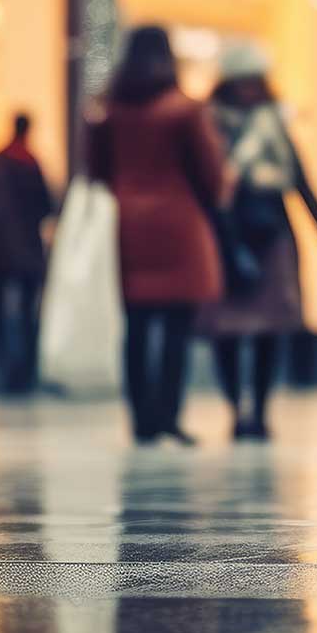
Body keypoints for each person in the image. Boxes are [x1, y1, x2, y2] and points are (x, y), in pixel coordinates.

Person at [89, 25, 227, 446]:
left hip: (127, 224)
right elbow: (211, 173)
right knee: (176, 326)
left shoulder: (109, 110)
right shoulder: (184, 109)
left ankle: (141, 419)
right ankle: (167, 413)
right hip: (178, 224)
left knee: (135, 324)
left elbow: (94, 169)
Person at [201, 44, 317, 441]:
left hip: (271, 233)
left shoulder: (273, 125)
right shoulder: (209, 125)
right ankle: (235, 407)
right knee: (225, 330)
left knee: (270, 328)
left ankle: (260, 410)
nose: (249, 90)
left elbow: (301, 181)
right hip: (225, 235)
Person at [0, 112, 55, 394]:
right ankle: (23, 372)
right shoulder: (31, 164)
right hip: (27, 252)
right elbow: (46, 206)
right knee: (28, 315)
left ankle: (5, 368)